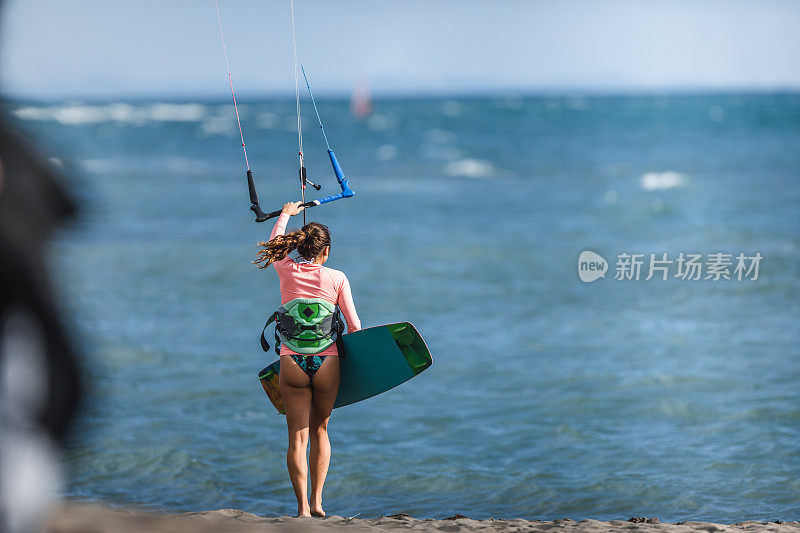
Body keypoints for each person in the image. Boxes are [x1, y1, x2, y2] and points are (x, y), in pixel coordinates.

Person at [253, 201, 360, 518]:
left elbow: (275, 244)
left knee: (297, 437)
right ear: (326, 251)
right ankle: (318, 503)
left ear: (300, 245)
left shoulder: (285, 269)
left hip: (292, 364)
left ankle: (301, 510)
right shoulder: (338, 278)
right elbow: (354, 327)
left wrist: (286, 213)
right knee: (320, 432)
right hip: (327, 363)